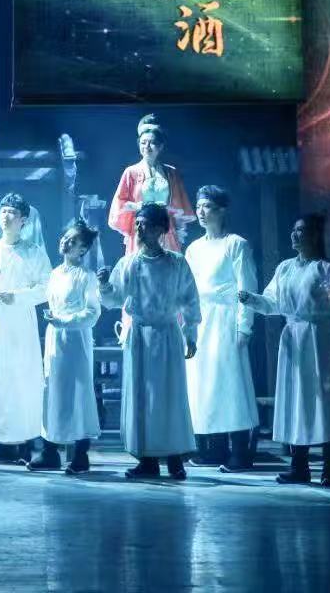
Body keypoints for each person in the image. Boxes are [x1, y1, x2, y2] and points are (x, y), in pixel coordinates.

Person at [239, 214, 330, 486]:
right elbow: (273, 303)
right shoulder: (285, 268)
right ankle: (299, 466)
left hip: (318, 339)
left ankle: (329, 468)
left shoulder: (327, 270)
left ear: (314, 235)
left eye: (301, 230)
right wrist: (252, 300)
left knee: (323, 401)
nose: (295, 235)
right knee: (295, 400)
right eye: (293, 230)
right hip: (293, 339)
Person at [97, 202, 200, 479]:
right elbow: (113, 299)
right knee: (142, 397)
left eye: (146, 225)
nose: (140, 229)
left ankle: (175, 457)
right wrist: (104, 285)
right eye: (138, 224)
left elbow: (190, 300)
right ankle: (147, 459)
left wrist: (191, 334)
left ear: (160, 229)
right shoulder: (129, 263)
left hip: (167, 335)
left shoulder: (176, 263)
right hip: (140, 337)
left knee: (169, 395)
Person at [0, 192, 52, 465]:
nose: (6, 216)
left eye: (12, 213)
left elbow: (46, 287)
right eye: (3, 211)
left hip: (20, 324)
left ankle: (23, 439)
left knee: (21, 379)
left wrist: (18, 296)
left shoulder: (33, 252)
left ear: (23, 220)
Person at [183, 185, 260, 472]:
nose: (201, 212)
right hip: (202, 320)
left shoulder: (236, 244)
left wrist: (244, 326)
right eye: (198, 206)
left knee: (230, 383)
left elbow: (247, 288)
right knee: (204, 385)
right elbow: (188, 290)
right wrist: (188, 325)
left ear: (221, 210)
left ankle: (239, 450)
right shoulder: (194, 249)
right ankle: (214, 448)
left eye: (207, 206)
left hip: (226, 320)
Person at [34, 219, 103, 474]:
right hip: (55, 340)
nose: (66, 242)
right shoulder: (54, 274)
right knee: (52, 389)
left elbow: (92, 313)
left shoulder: (87, 277)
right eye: (65, 237)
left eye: (73, 241)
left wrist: (63, 321)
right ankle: (50, 450)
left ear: (82, 249)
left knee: (77, 391)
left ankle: (81, 453)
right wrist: (54, 320)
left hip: (75, 341)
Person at [109, 114, 193, 257]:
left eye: (152, 143)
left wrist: (169, 215)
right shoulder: (131, 172)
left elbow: (180, 208)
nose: (147, 147)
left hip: (165, 229)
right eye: (143, 143)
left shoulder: (171, 172)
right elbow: (120, 203)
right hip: (142, 229)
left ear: (160, 146)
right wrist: (138, 206)